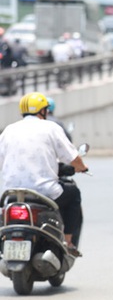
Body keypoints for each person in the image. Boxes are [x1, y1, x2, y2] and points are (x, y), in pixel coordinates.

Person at [0, 92, 88, 255]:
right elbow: (72, 157)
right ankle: (68, 242)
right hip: (45, 193)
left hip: (11, 194)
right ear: (43, 111)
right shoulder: (51, 128)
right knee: (74, 194)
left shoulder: (8, 131)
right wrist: (82, 167)